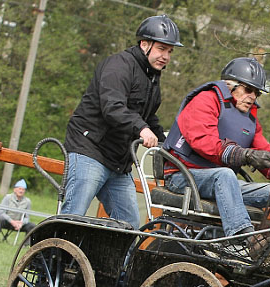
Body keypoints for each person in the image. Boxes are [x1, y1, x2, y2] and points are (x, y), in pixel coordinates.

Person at [162, 57, 270, 239]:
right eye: (248, 90)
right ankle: (242, 236)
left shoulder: (249, 117)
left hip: (223, 183)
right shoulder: (206, 100)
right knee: (225, 174)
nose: (253, 97)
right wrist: (243, 154)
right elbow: (202, 141)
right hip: (183, 176)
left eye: (257, 93)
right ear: (230, 86)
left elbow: (264, 152)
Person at [60, 15, 182, 228]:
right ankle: (48, 257)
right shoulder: (119, 66)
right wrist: (142, 128)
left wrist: (168, 148)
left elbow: (149, 118)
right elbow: (113, 108)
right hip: (89, 150)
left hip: (118, 163)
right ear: (145, 44)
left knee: (131, 226)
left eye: (170, 51)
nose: (166, 56)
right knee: (73, 217)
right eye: (162, 49)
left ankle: (108, 262)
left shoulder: (152, 78)